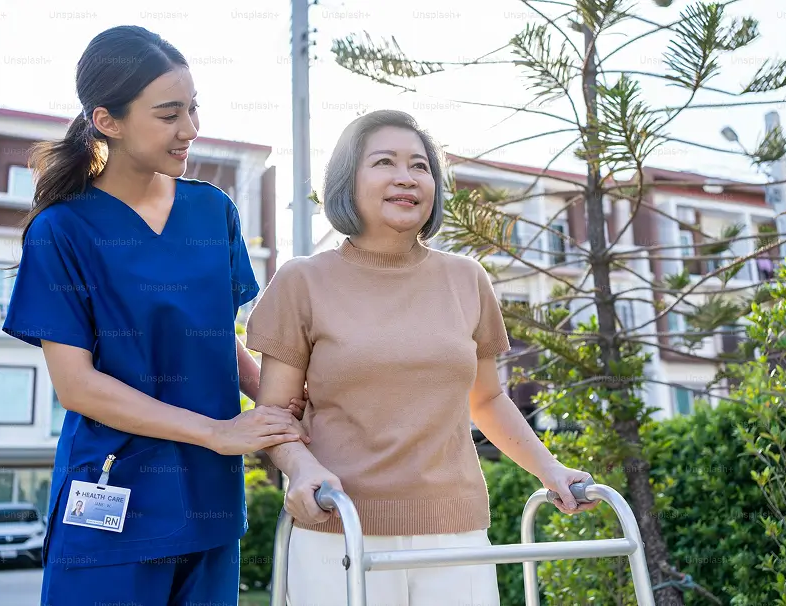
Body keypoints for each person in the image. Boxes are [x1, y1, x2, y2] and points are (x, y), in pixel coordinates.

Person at [2, 25, 309, 606]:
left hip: (211, 504)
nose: (189, 130)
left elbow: (221, 344)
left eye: (193, 109)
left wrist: (285, 403)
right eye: (169, 114)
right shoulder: (61, 230)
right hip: (112, 501)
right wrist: (219, 432)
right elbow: (78, 386)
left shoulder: (212, 211)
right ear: (107, 121)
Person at [245, 109, 598, 606]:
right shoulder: (303, 281)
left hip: (455, 533)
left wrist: (551, 470)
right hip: (337, 528)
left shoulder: (466, 278)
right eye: (384, 162)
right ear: (349, 179)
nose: (406, 177)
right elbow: (275, 413)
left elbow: (489, 398)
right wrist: (301, 470)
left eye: (421, 166)